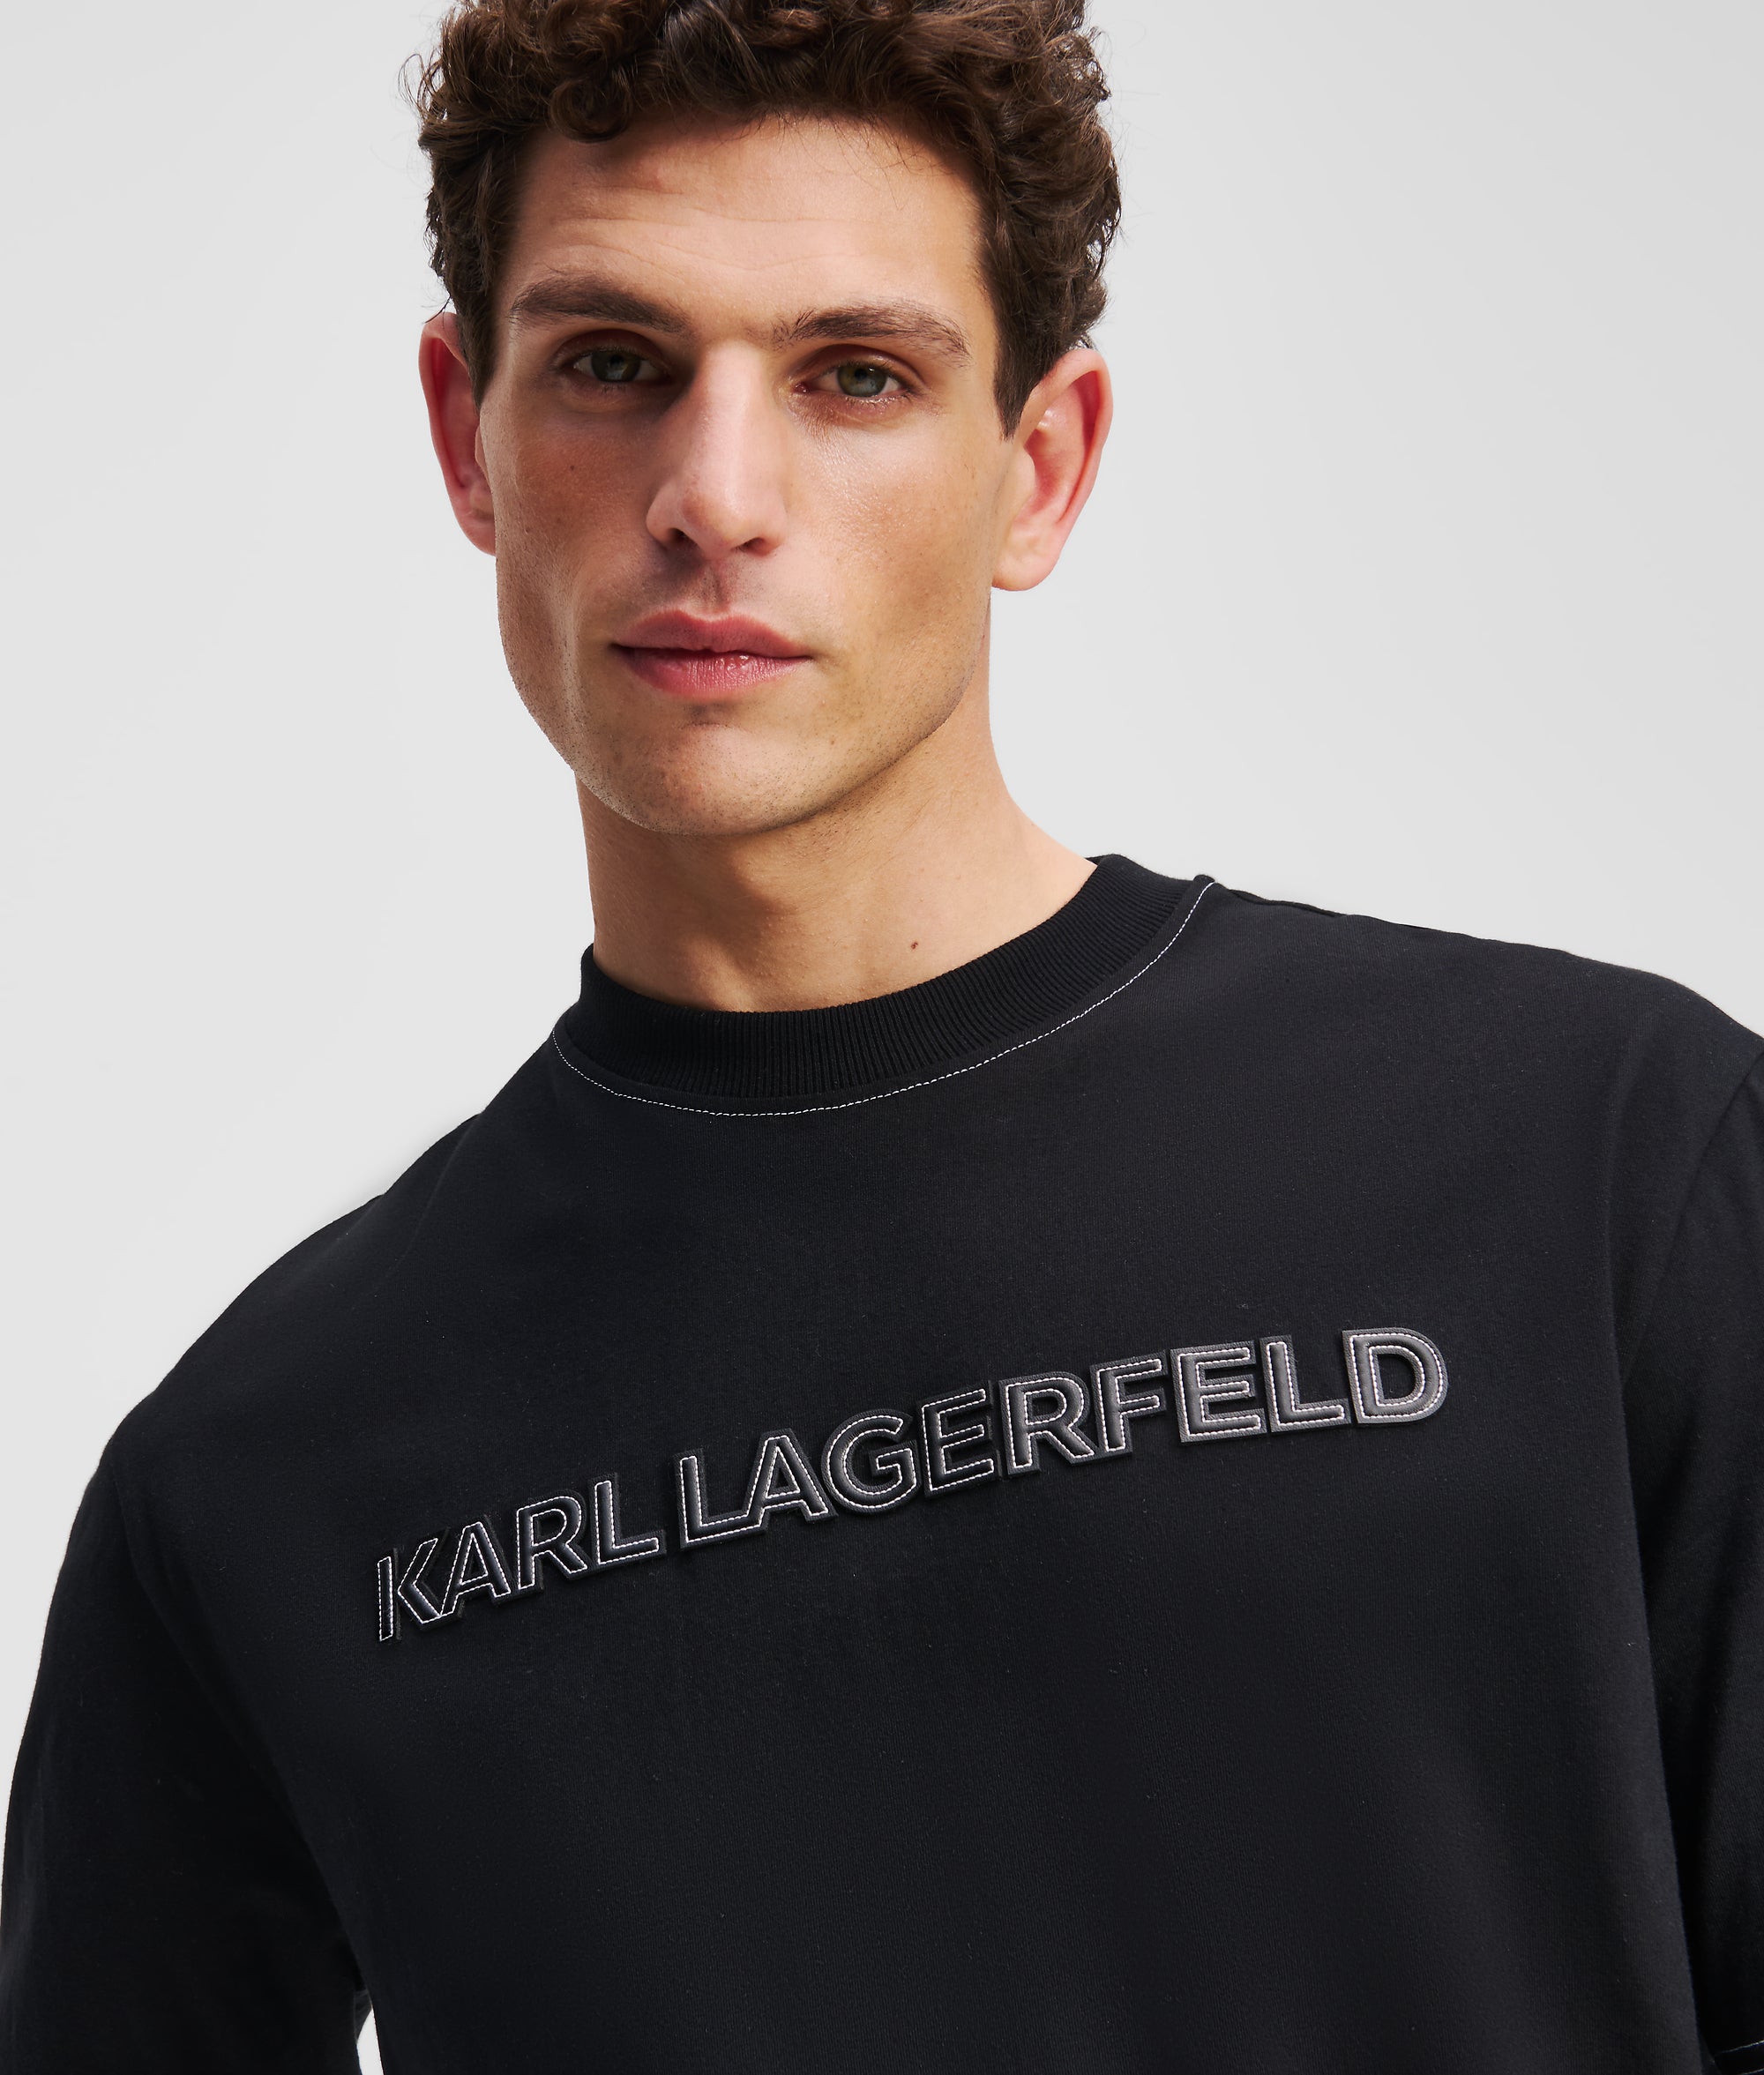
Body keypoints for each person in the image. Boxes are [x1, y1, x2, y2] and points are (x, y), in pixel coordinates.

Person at [2, 0, 1760, 2067]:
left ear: (1040, 467)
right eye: (613, 364)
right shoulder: (259, 1471)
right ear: (464, 435)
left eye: (853, 376)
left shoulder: (1601, 1168)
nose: (713, 496)